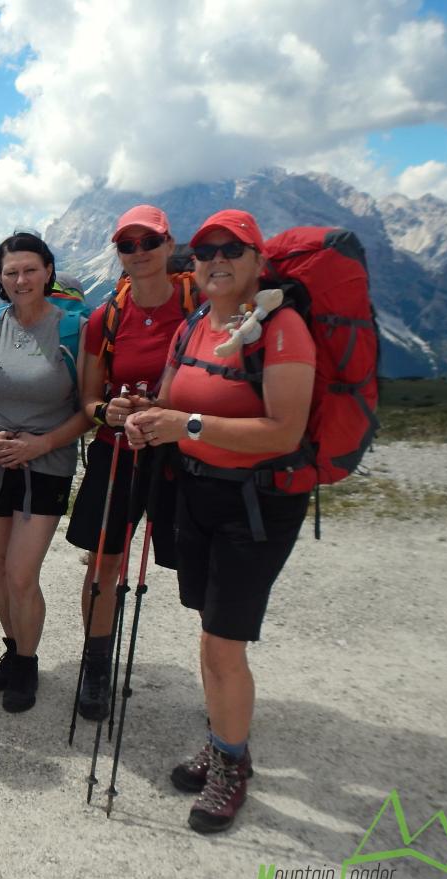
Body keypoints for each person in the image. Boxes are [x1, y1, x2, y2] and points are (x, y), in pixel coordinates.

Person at [125, 209, 315, 834]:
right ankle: (222, 740)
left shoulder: (281, 329)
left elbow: (284, 429)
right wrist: (145, 418)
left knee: (223, 643)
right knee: (210, 630)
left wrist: (187, 427)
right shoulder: (197, 325)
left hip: (256, 504)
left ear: (259, 261)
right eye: (205, 251)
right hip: (199, 493)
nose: (215, 260)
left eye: (232, 250)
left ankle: (231, 761)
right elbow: (172, 403)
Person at [0, 232, 90, 713]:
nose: (21, 279)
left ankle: (27, 663)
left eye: (30, 269)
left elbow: (88, 409)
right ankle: (13, 651)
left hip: (45, 465)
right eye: (11, 272)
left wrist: (43, 443)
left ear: (48, 271)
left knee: (20, 571)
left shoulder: (76, 330)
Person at [65, 205, 191, 720]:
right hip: (116, 453)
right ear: (117, 251)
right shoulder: (106, 317)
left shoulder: (200, 306)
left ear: (168, 245)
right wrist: (108, 412)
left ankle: (221, 673)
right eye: (127, 244)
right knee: (103, 563)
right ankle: (96, 667)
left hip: (182, 457)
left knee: (199, 566)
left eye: (149, 242)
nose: (138, 252)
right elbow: (88, 401)